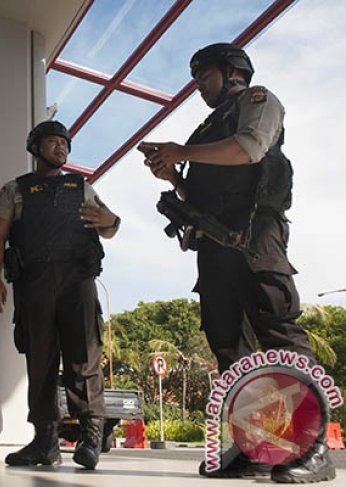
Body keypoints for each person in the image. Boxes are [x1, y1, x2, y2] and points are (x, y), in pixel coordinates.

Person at [140, 43, 335, 483]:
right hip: (214, 245)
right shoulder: (205, 129)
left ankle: (313, 447)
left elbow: (250, 149)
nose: (197, 86)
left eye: (202, 75)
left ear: (231, 72)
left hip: (255, 236)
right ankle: (257, 446)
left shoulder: (257, 100)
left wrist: (179, 152)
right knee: (230, 348)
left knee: (279, 334)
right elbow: (201, 194)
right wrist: (173, 176)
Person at [0, 120, 120, 470]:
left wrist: (112, 220)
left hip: (78, 282)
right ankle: (45, 441)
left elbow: (109, 227)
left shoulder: (82, 188)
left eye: (64, 142)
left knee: (84, 358)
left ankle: (91, 438)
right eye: (53, 141)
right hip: (34, 283)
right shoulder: (14, 189)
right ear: (35, 147)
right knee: (40, 361)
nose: (60, 147)